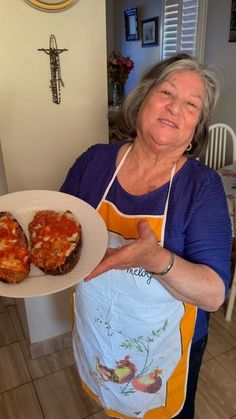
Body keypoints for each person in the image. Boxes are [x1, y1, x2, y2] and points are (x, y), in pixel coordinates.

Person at [60, 53, 232, 419]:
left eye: (191, 105)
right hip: (99, 332)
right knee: (107, 398)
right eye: (166, 93)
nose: (174, 109)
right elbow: (61, 234)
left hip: (160, 355)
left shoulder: (202, 187)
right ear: (141, 100)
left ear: (196, 129)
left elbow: (214, 295)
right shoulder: (94, 162)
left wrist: (156, 259)